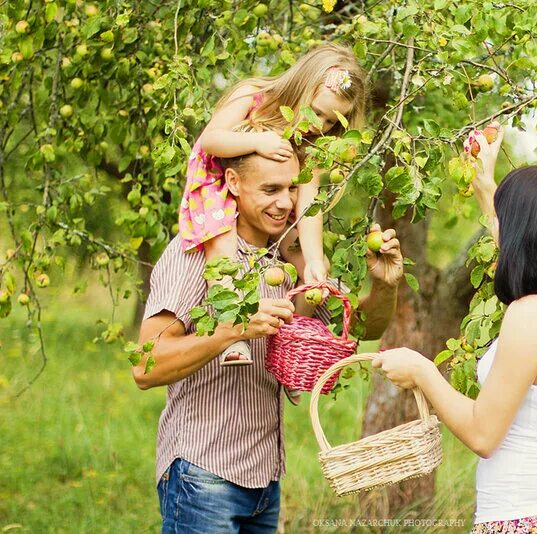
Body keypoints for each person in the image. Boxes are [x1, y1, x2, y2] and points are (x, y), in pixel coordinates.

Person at [133, 141, 403, 533]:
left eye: (293, 188)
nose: (284, 203)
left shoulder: (289, 260)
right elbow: (145, 365)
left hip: (265, 481)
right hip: (203, 474)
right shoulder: (195, 253)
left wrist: (384, 287)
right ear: (233, 182)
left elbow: (362, 329)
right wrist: (234, 329)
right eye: (270, 190)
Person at [372, 124, 537, 533]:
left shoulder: (531, 315)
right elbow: (517, 236)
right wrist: (485, 182)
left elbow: (483, 434)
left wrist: (422, 370)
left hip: (526, 519)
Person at [179, 43, 368, 366]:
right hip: (218, 183)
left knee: (311, 266)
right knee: (223, 258)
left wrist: (312, 259)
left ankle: (292, 347)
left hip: (270, 198)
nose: (320, 125)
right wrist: (257, 141)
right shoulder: (254, 96)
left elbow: (308, 203)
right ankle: (233, 334)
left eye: (331, 120)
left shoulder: (314, 143)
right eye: (317, 112)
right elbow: (210, 140)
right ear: (300, 88)